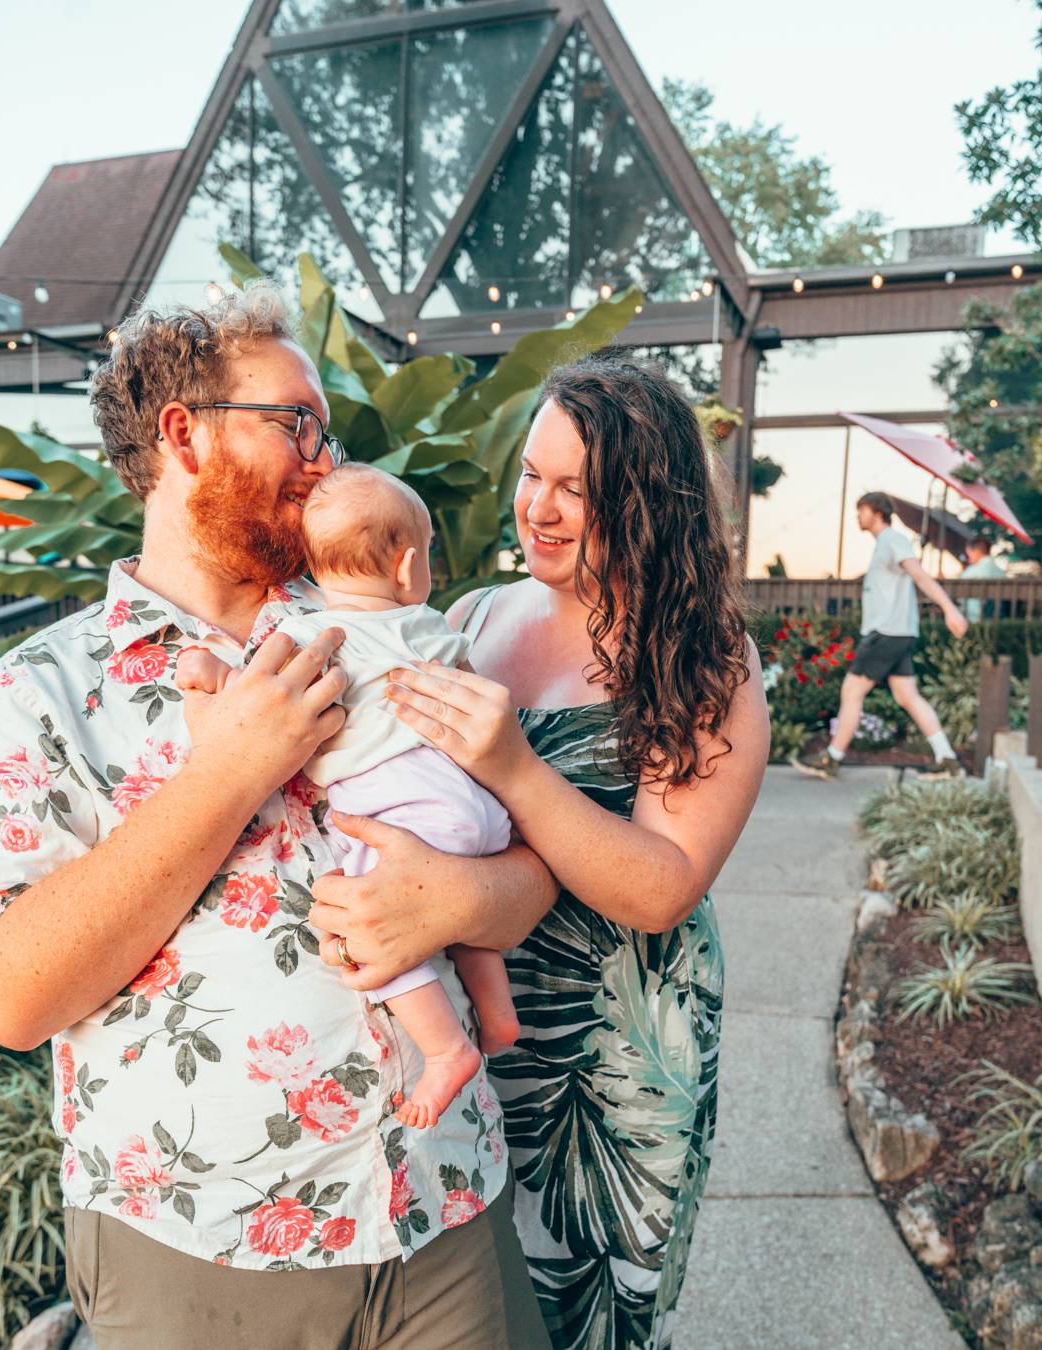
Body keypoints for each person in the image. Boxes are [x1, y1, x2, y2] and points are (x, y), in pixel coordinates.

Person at [0, 286, 552, 1349]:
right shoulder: (37, 696)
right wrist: (224, 774)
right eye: (298, 425)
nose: (326, 460)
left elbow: (533, 863)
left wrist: (466, 894)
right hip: (204, 1255)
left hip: (447, 1210)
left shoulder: (394, 632)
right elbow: (9, 999)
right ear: (183, 433)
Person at [311, 351, 769, 1349]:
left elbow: (664, 888)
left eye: (579, 489)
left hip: (612, 1052)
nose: (540, 509)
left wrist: (517, 769)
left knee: (588, 1314)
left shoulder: (703, 654)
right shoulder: (473, 615)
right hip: (471, 1025)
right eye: (532, 474)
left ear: (650, 502)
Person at [177, 461, 519, 1132]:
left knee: (372, 933)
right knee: (458, 916)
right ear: (407, 566)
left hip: (399, 813)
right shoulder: (428, 625)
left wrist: (211, 671)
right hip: (476, 808)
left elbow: (256, 696)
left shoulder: (308, 637)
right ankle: (498, 1011)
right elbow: (475, 689)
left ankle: (447, 1049)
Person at [794, 490, 968, 780]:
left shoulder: (892, 541)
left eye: (861, 510)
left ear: (877, 512)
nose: (858, 516)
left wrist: (950, 609)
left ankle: (832, 758)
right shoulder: (884, 545)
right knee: (907, 695)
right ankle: (947, 759)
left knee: (851, 691)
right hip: (895, 632)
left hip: (887, 633)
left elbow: (920, 575)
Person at [960, 534, 1006, 622]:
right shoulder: (1001, 573)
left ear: (976, 551)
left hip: (974, 617)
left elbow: (959, 594)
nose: (968, 557)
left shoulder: (971, 572)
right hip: (997, 617)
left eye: (969, 553)